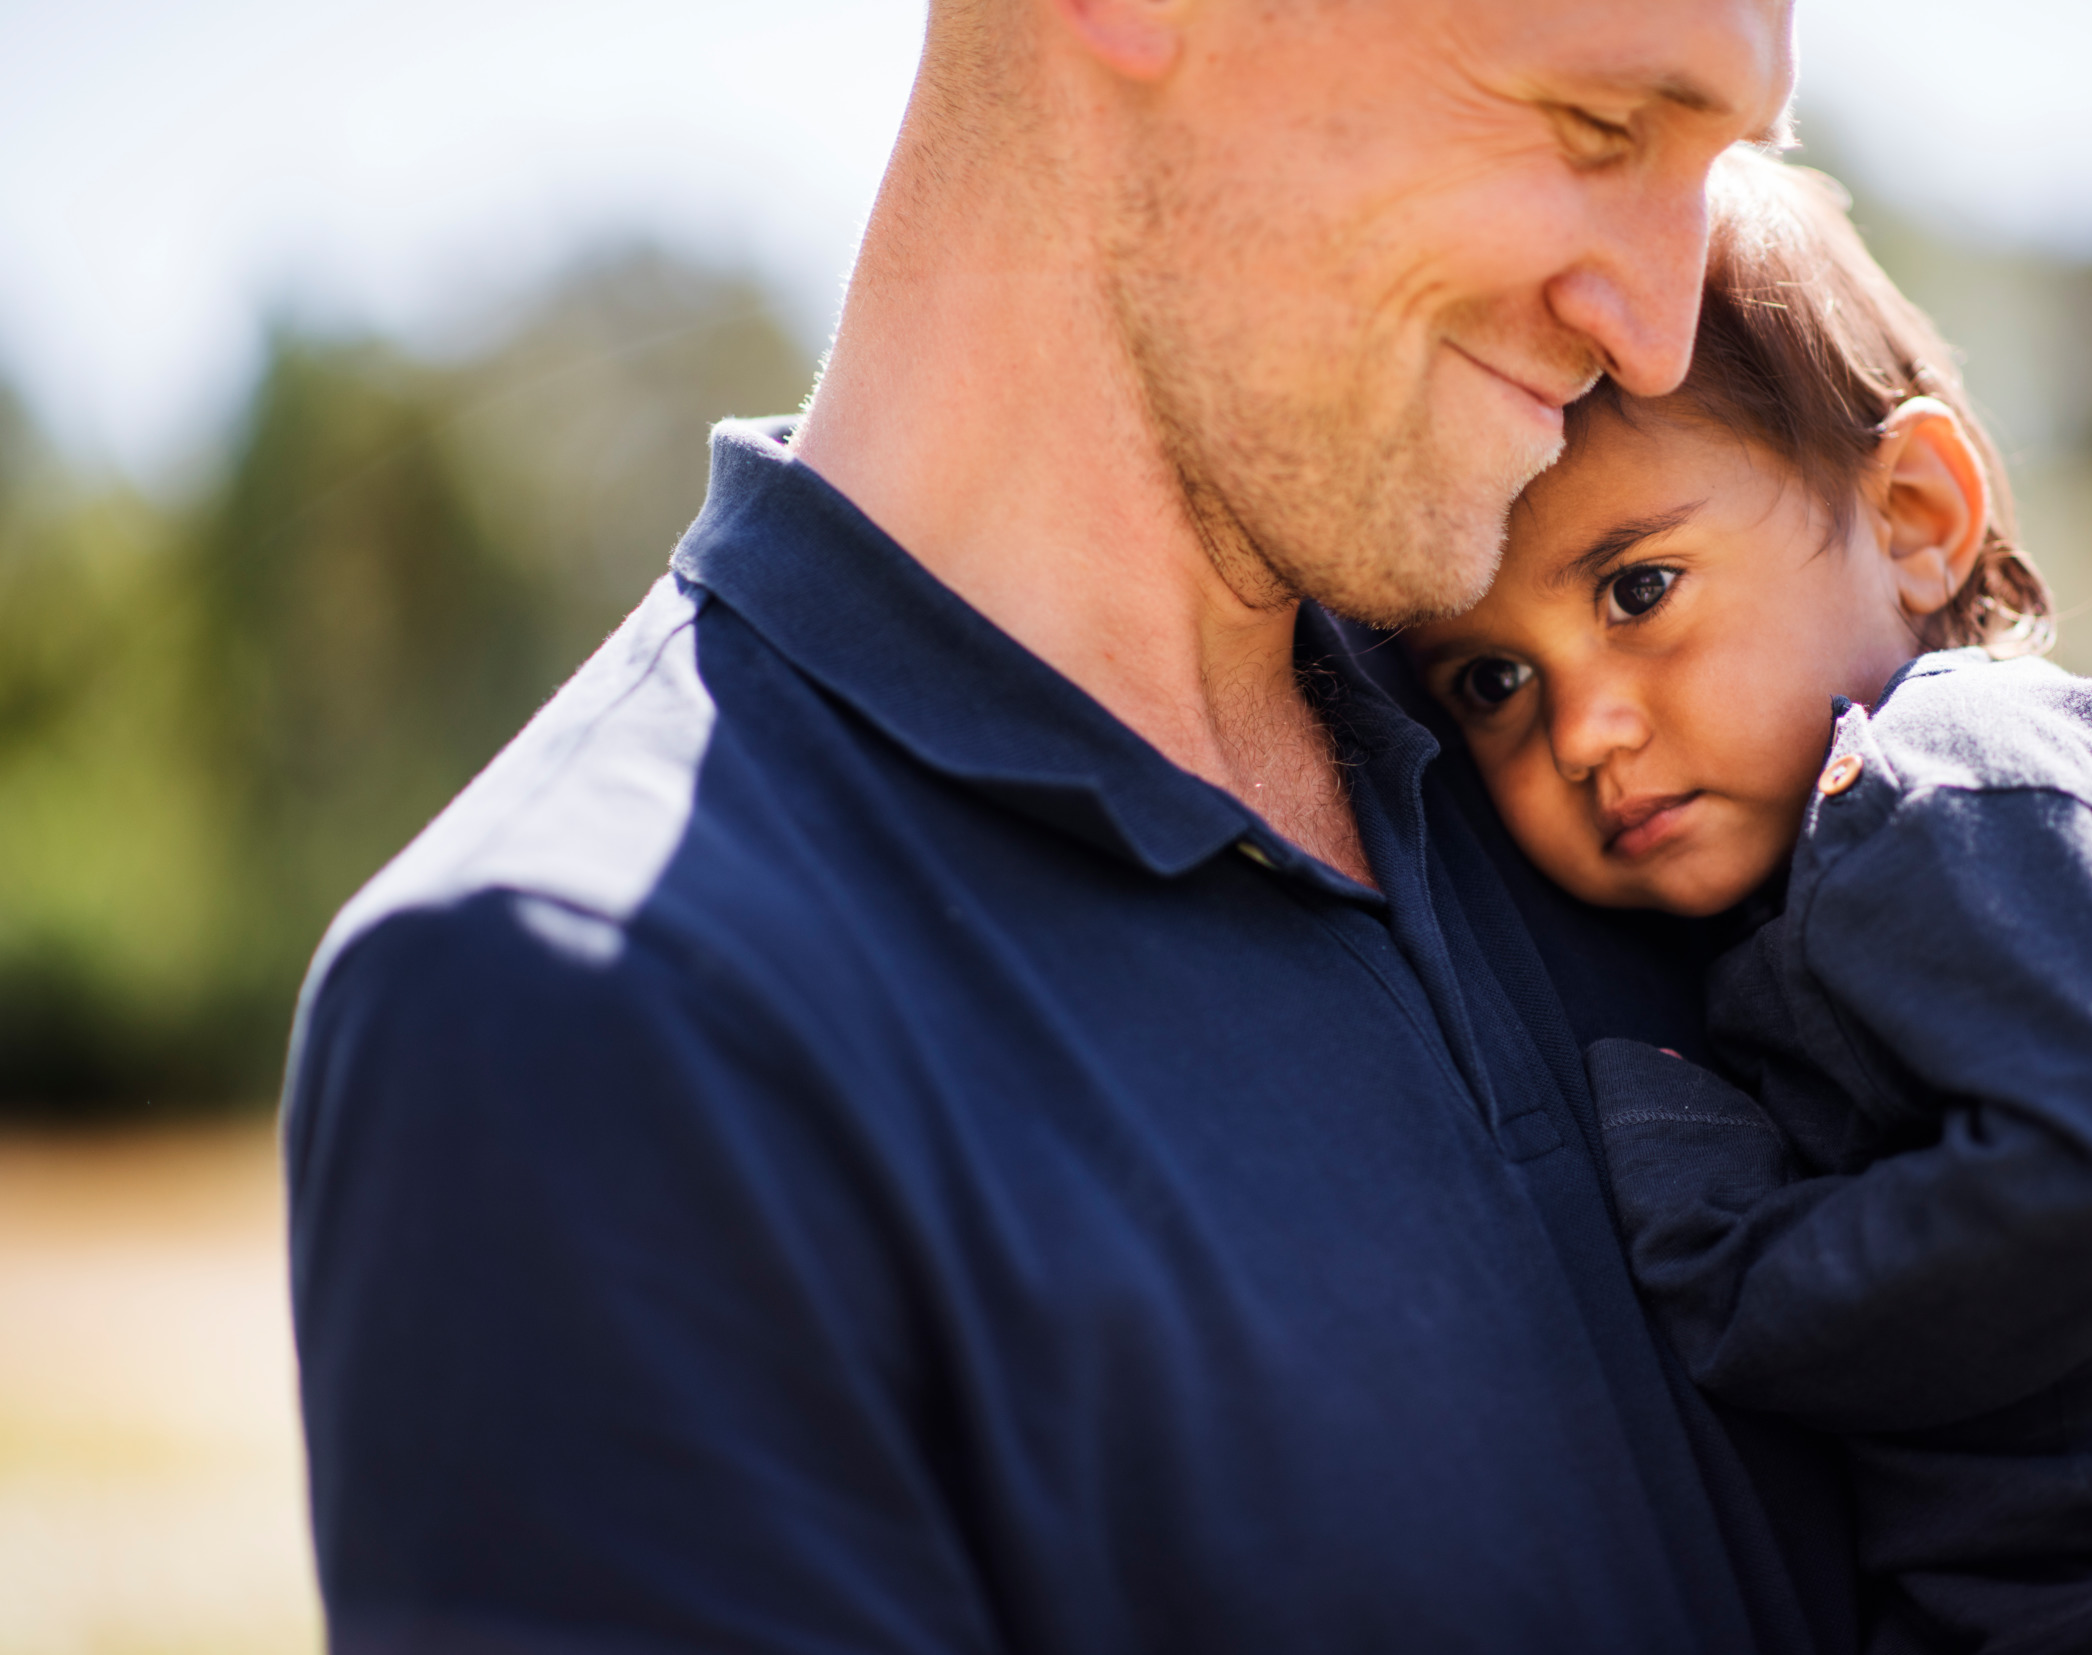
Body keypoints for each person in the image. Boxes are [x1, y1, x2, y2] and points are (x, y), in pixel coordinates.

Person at [282, 3, 1852, 1653]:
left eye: (1718, 164)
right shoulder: (594, 1022)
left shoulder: (1652, 769)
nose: (1659, 333)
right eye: (1601, 129)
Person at [1404, 149, 2092, 1655]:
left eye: (1638, 589)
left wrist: (1743, 1267)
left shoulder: (1941, 777)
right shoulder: (1843, 858)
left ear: (1914, 515)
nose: (1581, 732)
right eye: (1493, 682)